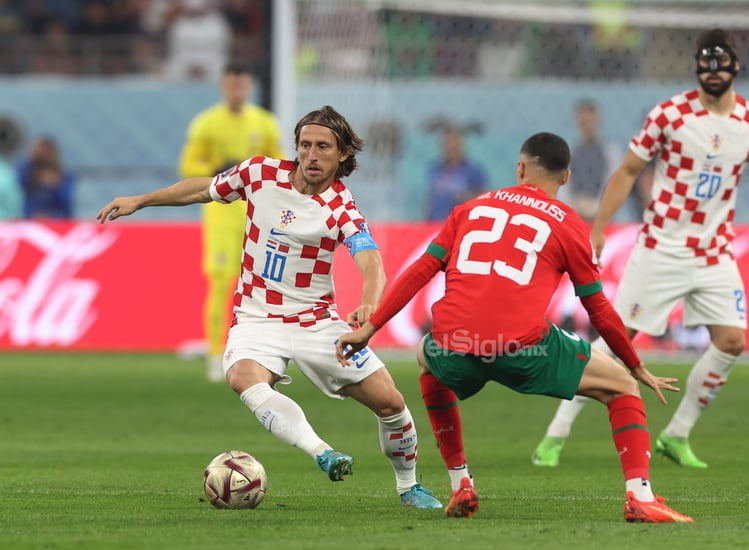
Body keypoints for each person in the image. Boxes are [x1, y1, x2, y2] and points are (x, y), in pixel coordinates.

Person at [336, 132, 694, 523]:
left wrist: (370, 328)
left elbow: (420, 270)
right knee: (621, 386)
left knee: (426, 354)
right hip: (525, 351)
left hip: (456, 346)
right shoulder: (568, 224)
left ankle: (460, 483)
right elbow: (597, 307)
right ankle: (639, 496)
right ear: (567, 177)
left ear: (520, 168)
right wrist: (635, 365)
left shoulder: (469, 209)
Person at [98, 105, 442, 510]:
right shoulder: (260, 174)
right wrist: (141, 200)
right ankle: (322, 452)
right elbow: (203, 188)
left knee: (391, 403)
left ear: (343, 154)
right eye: (305, 145)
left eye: (323, 147)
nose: (311, 155)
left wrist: (368, 304)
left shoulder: (341, 207)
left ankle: (409, 486)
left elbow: (371, 261)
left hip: (316, 322)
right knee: (243, 377)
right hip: (257, 316)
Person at [532, 28, 749, 470]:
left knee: (732, 341)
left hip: (714, 253)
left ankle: (677, 434)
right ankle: (555, 434)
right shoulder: (669, 115)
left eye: (721, 64)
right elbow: (629, 170)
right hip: (660, 248)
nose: (713, 72)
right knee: (617, 341)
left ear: (735, 68)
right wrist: (601, 226)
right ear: (696, 69)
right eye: (705, 65)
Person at [178, 60, 283, 382]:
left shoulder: (264, 123)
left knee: (262, 284)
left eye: (242, 84)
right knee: (223, 283)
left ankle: (263, 352)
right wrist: (216, 170)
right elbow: (188, 166)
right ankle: (214, 355)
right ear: (223, 86)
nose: (237, 90)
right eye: (231, 84)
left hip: (256, 213)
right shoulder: (206, 124)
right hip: (221, 212)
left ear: (249, 86)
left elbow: (277, 164)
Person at [426, 126, 487, 221]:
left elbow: (483, 197)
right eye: (447, 142)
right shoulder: (436, 169)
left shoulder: (473, 171)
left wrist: (464, 197)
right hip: (436, 222)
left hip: (460, 222)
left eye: (455, 142)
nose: (451, 146)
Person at [17, 136, 75, 219]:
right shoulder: (29, 170)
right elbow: (20, 182)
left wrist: (56, 184)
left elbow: (65, 201)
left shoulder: (63, 175)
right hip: (30, 217)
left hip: (56, 219)